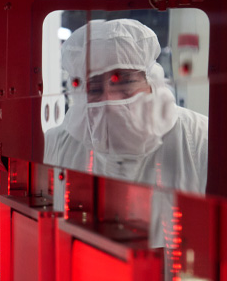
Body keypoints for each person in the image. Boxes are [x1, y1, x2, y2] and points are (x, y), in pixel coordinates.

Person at [44, 18, 208, 194]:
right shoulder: (56, 144)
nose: (110, 100)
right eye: (95, 88)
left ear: (152, 81)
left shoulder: (200, 140)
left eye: (125, 82)